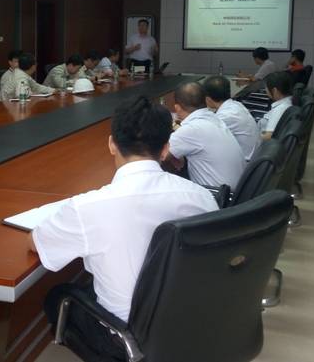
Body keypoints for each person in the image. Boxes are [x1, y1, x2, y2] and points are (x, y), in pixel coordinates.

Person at [31, 96, 217, 357]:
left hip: (125, 338)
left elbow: (37, 243)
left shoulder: (87, 207)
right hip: (190, 323)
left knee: (57, 296)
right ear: (165, 149)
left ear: (111, 144)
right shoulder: (202, 197)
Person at [165, 82, 245, 189]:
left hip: (218, 194)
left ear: (177, 108)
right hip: (237, 190)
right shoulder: (213, 118)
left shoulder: (191, 129)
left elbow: (161, 155)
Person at [203, 75, 259, 162]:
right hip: (253, 157)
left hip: (245, 163)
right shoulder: (236, 105)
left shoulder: (225, 116)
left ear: (208, 99)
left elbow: (203, 138)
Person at [260, 71, 294, 140]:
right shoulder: (288, 102)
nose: (265, 91)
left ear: (274, 91)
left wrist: (252, 136)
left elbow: (269, 136)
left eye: (266, 88)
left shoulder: (279, 109)